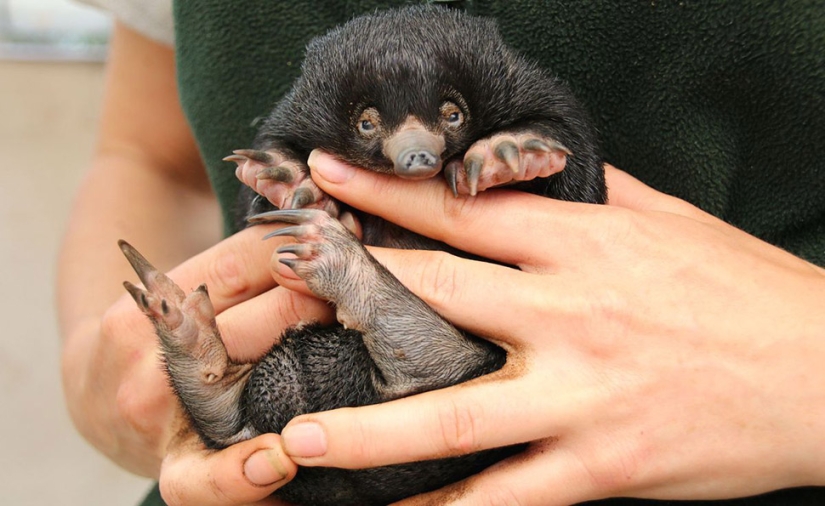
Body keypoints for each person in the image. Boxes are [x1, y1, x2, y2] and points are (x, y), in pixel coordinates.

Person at [61, 1, 825, 505]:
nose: (417, 155)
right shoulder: (312, 109)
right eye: (373, 127)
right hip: (272, 444)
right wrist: (101, 371)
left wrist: (800, 361)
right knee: (251, 406)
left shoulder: (513, 92)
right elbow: (148, 158)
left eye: (447, 119)